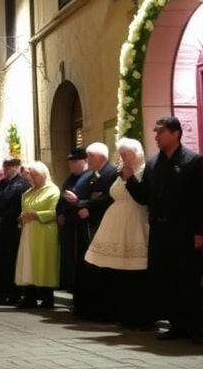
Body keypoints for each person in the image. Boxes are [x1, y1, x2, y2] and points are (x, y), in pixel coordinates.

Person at [123, 116, 203, 346]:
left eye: (160, 131)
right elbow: (144, 197)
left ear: (175, 133)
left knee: (190, 279)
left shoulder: (193, 160)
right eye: (155, 131)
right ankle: (177, 324)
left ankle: (199, 327)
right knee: (166, 279)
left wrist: (201, 231)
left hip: (184, 230)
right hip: (160, 231)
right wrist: (130, 180)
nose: (156, 136)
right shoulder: (154, 164)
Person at [84, 138, 151, 329]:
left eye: (126, 155)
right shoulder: (120, 173)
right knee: (120, 273)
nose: (122, 159)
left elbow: (142, 197)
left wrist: (129, 177)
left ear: (137, 153)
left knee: (137, 273)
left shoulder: (144, 170)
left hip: (136, 225)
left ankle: (141, 317)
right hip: (117, 227)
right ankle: (125, 315)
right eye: (120, 155)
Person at [63, 142, 118, 321]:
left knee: (100, 270)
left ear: (100, 156)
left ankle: (103, 310)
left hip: (99, 223)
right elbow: (85, 196)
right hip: (87, 225)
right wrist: (78, 202)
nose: (87, 160)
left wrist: (85, 204)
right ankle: (89, 307)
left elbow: (108, 197)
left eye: (89, 156)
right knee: (88, 268)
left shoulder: (110, 173)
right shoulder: (93, 175)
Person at [14, 162, 60, 309]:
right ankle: (30, 296)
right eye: (31, 176)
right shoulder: (28, 193)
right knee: (28, 263)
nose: (32, 178)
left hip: (44, 231)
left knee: (44, 262)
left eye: (35, 175)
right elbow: (24, 210)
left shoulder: (52, 191)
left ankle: (47, 298)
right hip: (28, 231)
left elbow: (55, 212)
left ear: (44, 174)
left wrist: (36, 215)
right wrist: (21, 218)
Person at [0, 158, 28, 306]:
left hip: (10, 229)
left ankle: (14, 294)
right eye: (5, 167)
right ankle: (0, 293)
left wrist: (0, 221)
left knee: (11, 262)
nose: (6, 169)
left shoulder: (22, 185)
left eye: (9, 167)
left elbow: (16, 207)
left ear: (16, 167)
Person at [56, 148, 87, 297]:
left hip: (78, 223)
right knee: (69, 260)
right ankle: (72, 289)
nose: (71, 165)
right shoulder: (69, 179)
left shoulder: (86, 177)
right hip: (67, 224)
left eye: (75, 162)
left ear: (84, 161)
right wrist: (60, 213)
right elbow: (61, 200)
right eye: (70, 162)